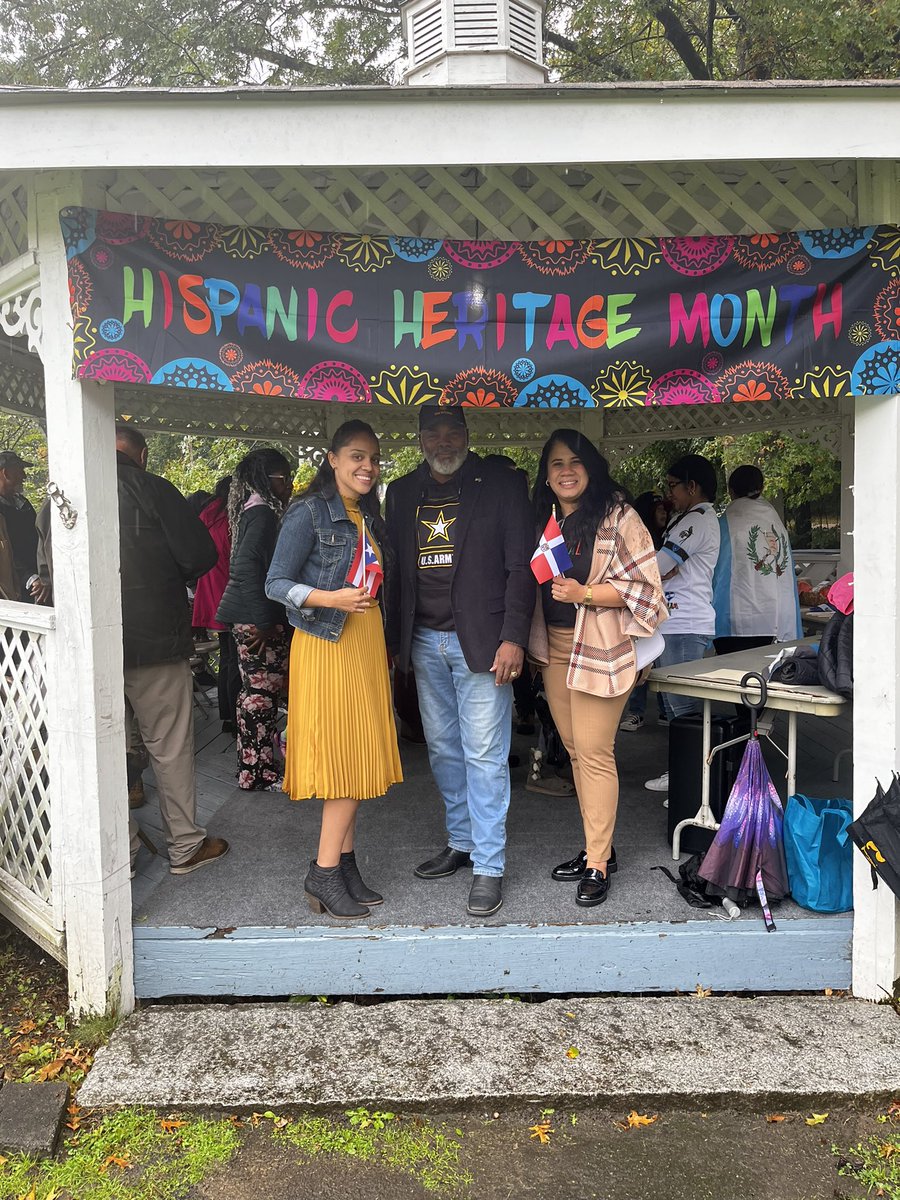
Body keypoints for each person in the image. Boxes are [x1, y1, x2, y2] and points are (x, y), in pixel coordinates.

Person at [384, 406, 534, 918]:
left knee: (485, 755)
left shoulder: (501, 484)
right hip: (423, 640)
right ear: (420, 438)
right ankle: (462, 841)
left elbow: (521, 568)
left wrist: (513, 637)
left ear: (468, 435)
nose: (443, 442)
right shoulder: (402, 492)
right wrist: (393, 642)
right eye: (433, 433)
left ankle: (489, 865)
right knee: (445, 751)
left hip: (484, 642)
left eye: (453, 432)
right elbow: (397, 571)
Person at [265, 420, 401, 919]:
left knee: (358, 755)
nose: (367, 467)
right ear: (333, 459)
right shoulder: (308, 510)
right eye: (357, 457)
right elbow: (275, 583)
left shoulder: (367, 513)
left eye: (373, 458)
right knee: (343, 759)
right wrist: (330, 597)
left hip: (363, 642)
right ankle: (322, 872)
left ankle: (344, 865)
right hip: (327, 644)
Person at [528, 430, 666, 906]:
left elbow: (648, 590)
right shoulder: (543, 520)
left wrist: (584, 593)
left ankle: (598, 862)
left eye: (575, 461)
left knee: (593, 751)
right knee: (574, 750)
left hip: (600, 648)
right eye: (556, 464)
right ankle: (597, 847)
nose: (566, 471)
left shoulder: (618, 517)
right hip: (555, 649)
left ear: (591, 467)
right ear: (545, 476)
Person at [115, 424, 229, 875]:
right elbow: (200, 555)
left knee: (105, 749)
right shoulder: (153, 489)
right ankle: (184, 846)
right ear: (142, 455)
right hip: (154, 639)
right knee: (169, 745)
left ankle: (119, 853)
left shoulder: (58, 494)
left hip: (89, 646)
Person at [644, 453, 721, 801]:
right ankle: (683, 774)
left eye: (673, 485)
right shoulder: (687, 518)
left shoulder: (700, 520)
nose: (668, 493)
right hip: (673, 620)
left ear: (692, 486)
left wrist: (657, 569)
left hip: (685, 622)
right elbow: (664, 567)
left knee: (685, 708)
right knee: (676, 707)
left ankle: (693, 784)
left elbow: (660, 565)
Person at [217, 450, 293, 791]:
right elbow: (246, 568)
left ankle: (252, 769)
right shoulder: (262, 513)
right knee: (261, 697)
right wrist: (265, 621)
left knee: (252, 695)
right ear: (267, 478)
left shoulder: (252, 508)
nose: (289, 484)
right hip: (256, 619)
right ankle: (259, 774)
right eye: (283, 477)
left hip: (247, 616)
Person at [712, 465, 802, 655]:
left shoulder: (726, 522)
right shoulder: (775, 521)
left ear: (730, 491)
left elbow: (714, 569)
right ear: (761, 488)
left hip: (736, 617)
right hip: (775, 617)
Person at [192, 477, 240, 733]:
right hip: (228, 595)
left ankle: (226, 715)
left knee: (227, 656)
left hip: (210, 596)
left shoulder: (206, 517)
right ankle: (233, 716)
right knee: (234, 659)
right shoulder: (229, 521)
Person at [619, 491, 669, 733]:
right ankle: (636, 712)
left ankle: (664, 711)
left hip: (661, 612)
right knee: (641, 659)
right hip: (637, 611)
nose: (664, 513)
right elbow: (658, 571)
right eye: (658, 508)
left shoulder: (667, 535)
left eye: (665, 508)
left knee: (657, 664)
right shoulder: (634, 535)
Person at [0, 450, 39, 602]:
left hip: (40, 583)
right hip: (11, 591)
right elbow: (6, 553)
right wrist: (29, 577)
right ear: (6, 473)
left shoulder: (24, 504)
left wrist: (43, 575)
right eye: (20, 471)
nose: (24, 477)